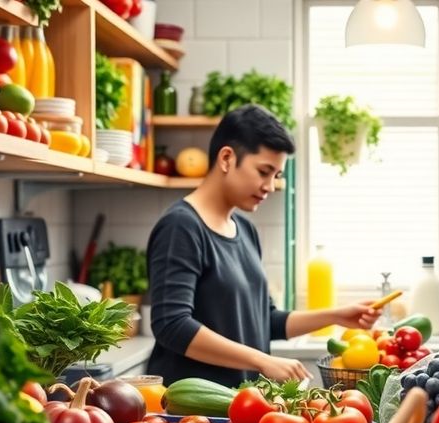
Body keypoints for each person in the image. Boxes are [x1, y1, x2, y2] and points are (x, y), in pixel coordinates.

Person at [146, 104, 380, 388]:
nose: (269, 186)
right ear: (227, 158)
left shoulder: (245, 230)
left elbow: (265, 320)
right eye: (264, 171)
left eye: (276, 175)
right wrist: (262, 360)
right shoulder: (181, 227)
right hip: (193, 417)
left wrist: (336, 315)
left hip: (241, 408)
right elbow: (172, 325)